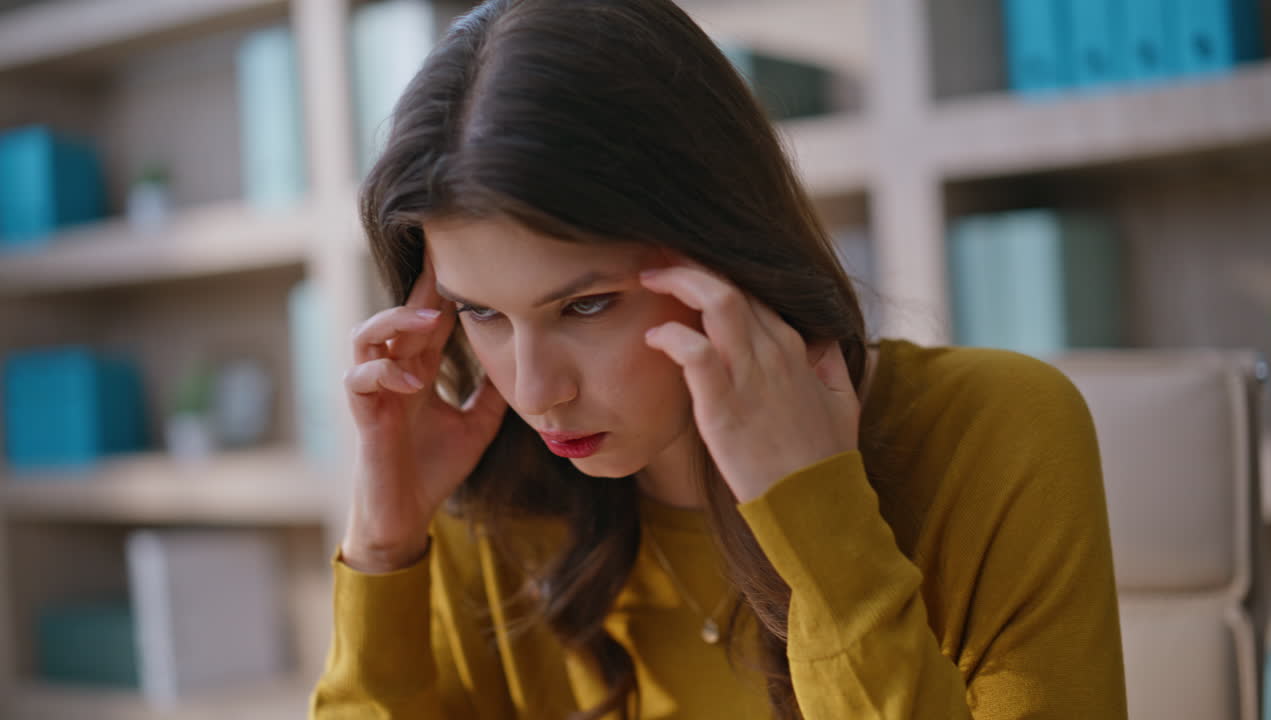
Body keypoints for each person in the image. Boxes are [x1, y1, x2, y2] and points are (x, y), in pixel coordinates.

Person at [309, 0, 1128, 717]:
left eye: (586, 305)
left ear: (724, 251)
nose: (534, 389)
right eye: (480, 313)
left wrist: (815, 516)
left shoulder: (995, 435)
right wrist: (385, 547)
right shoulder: (492, 491)